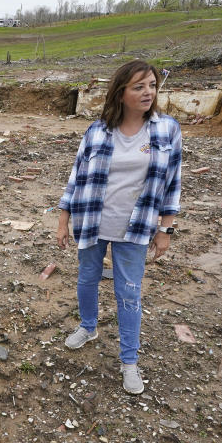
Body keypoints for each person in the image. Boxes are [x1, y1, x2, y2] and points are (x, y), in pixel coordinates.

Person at [55, 60, 182, 394]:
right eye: (138, 86)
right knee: (86, 280)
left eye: (152, 85)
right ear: (121, 92)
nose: (148, 92)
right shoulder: (97, 130)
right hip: (91, 221)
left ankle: (129, 362)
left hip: (136, 228)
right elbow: (76, 176)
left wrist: (165, 230)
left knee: (129, 293)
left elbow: (173, 184)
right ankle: (88, 327)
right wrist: (62, 219)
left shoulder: (167, 130)